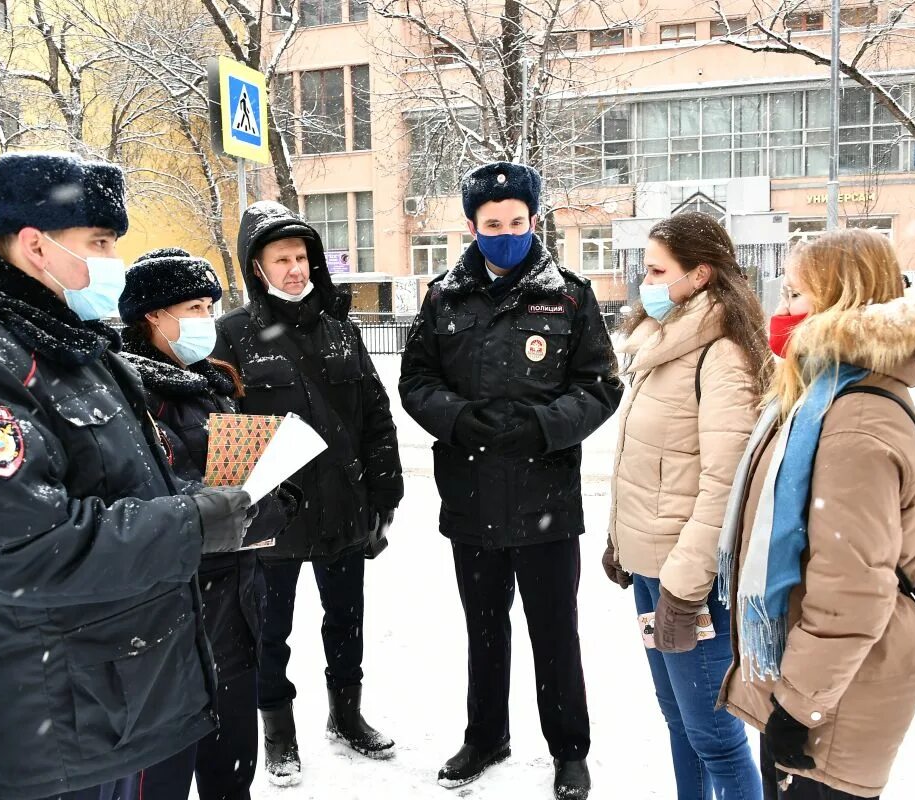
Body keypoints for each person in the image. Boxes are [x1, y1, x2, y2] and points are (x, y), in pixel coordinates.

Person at [0, 151, 253, 800]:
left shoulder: (73, 350)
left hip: (112, 697)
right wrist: (198, 521)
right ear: (35, 246)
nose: (114, 259)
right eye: (99, 242)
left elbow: (127, 491)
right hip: (56, 718)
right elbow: (26, 549)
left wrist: (216, 503)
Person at [399, 162, 623, 800]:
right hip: (470, 494)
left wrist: (544, 427)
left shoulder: (570, 296)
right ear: (472, 226)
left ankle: (569, 750)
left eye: (516, 222)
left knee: (555, 629)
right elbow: (416, 381)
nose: (505, 233)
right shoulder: (444, 297)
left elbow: (601, 386)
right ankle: (485, 735)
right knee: (484, 625)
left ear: (533, 220)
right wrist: (460, 419)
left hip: (545, 494)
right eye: (491, 224)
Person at [716, 229, 915, 799]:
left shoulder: (851, 422)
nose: (781, 310)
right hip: (830, 682)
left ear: (839, 303)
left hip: (839, 697)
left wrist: (799, 707)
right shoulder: (823, 396)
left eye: (795, 295)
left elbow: (850, 591)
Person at [211, 200, 404, 786]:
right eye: (282, 259)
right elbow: (222, 428)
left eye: (302, 258)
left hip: (345, 509)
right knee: (270, 629)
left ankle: (347, 715)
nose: (295, 269)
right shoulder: (233, 335)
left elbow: (375, 414)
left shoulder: (341, 330)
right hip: (274, 518)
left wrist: (385, 492)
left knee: (346, 618)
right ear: (258, 268)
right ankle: (278, 730)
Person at [118, 248, 303, 800]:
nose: (206, 318)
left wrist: (275, 495)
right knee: (163, 778)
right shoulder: (129, 393)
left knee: (231, 773)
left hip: (236, 610)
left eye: (209, 305)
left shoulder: (213, 383)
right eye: (193, 306)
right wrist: (245, 507)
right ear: (153, 315)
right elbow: (157, 501)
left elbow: (245, 482)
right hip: (169, 621)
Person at [603, 212, 770, 800]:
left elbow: (723, 487)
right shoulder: (662, 342)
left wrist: (685, 581)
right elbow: (644, 459)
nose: (644, 282)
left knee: (716, 737)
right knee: (680, 722)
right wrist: (620, 541)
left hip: (687, 579)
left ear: (699, 275)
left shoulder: (721, 357)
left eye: (656, 270)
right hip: (652, 569)